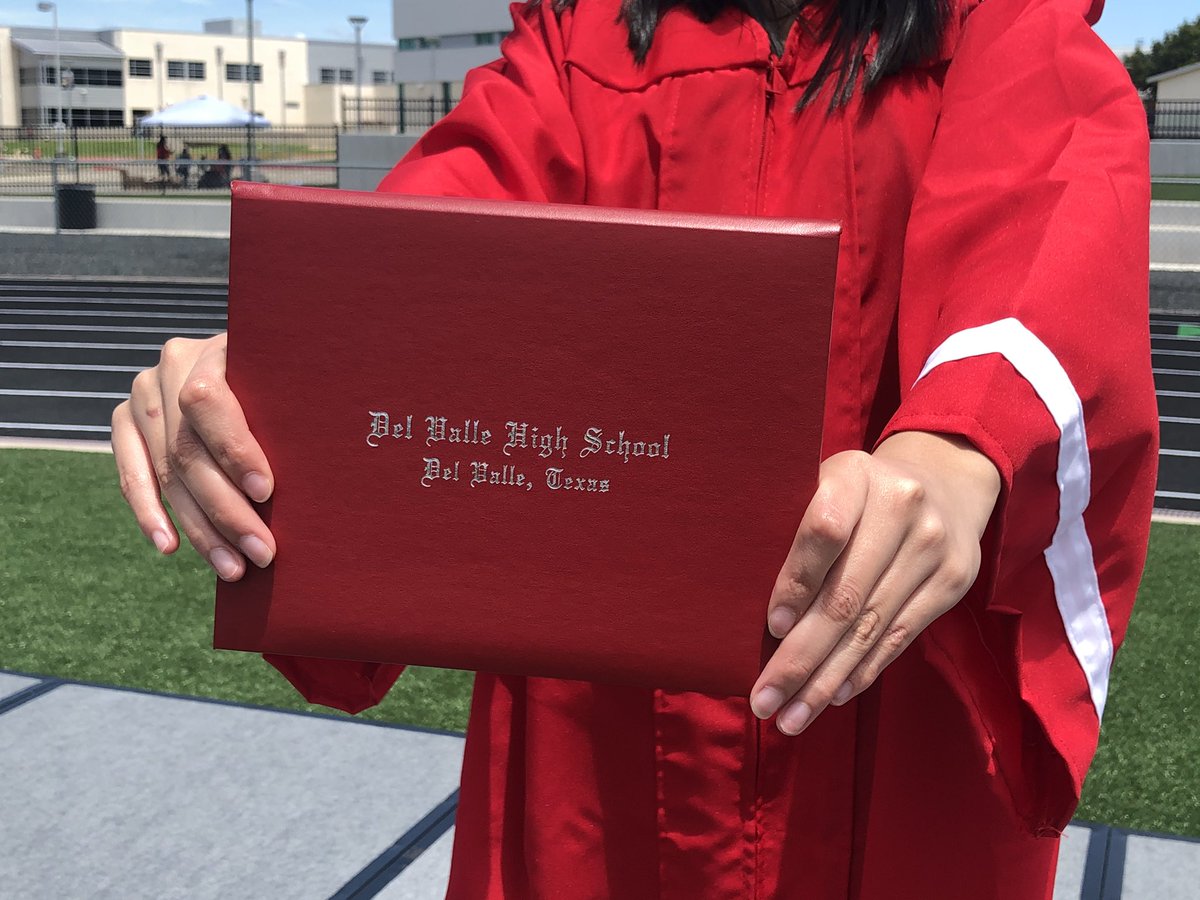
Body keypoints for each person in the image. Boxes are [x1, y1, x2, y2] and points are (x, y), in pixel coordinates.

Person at [110, 0, 1157, 896]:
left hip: (883, 724)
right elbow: (433, 252)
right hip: (591, 758)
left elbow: (1054, 215)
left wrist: (960, 444)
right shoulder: (585, 44)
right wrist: (269, 383)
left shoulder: (993, 23)